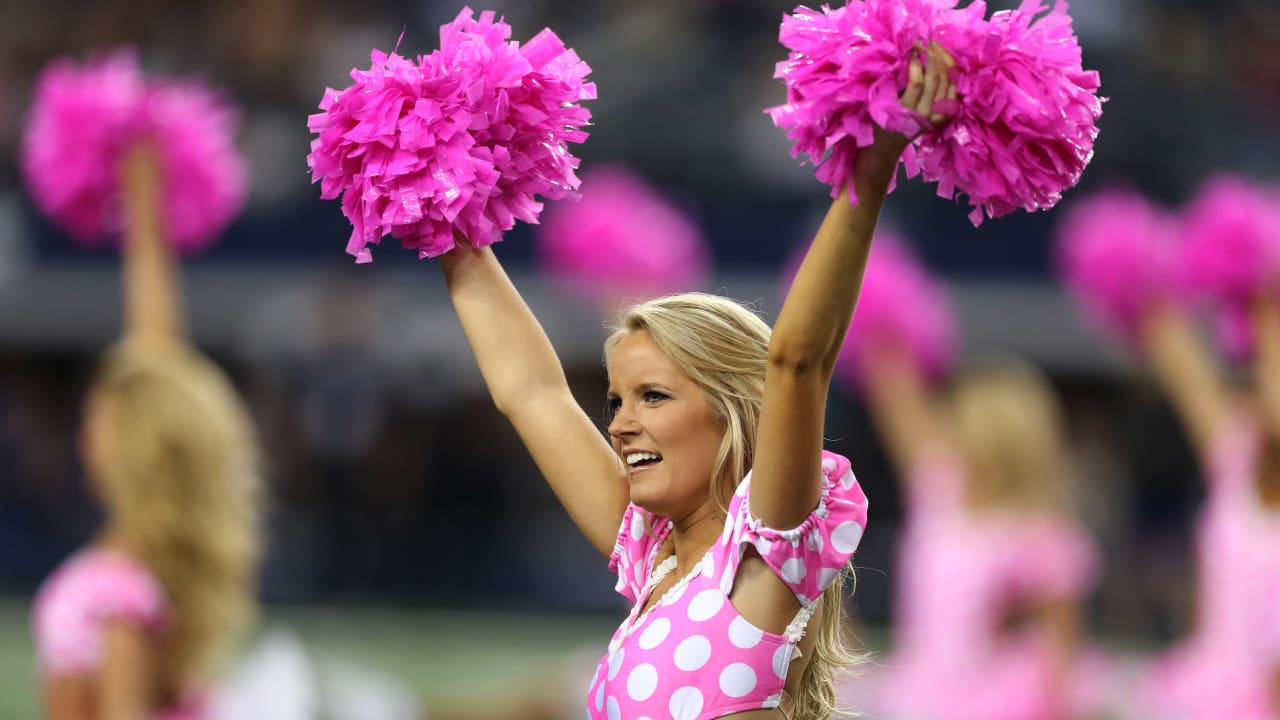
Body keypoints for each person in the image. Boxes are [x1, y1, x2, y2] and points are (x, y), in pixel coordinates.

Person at [438, 41, 958, 720]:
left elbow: (797, 360)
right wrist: (443, 214)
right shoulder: (652, 558)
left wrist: (875, 166)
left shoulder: (759, 561)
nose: (621, 423)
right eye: (617, 399)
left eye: (654, 396)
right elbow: (531, 391)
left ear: (734, 413)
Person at [32, 144, 262, 720]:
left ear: (131, 453)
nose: (83, 437)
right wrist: (142, 214)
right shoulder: (155, 561)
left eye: (95, 423)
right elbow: (157, 357)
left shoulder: (119, 599)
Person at [853, 348, 1102, 720]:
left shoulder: (1039, 536)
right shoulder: (941, 493)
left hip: (996, 701)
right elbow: (898, 401)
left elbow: (1060, 654)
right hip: (922, 687)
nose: (947, 430)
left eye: (957, 421)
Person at [1130, 276, 1280, 718]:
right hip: (1215, 693)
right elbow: (1184, 368)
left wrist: (1268, 321)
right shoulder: (1237, 463)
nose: (1253, 397)